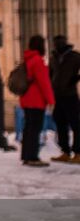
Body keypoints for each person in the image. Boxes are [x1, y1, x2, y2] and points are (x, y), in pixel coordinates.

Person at [19, 34, 55, 168]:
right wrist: (51, 100)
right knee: (35, 129)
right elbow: (44, 83)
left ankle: (26, 155)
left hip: (26, 99)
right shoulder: (38, 61)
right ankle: (33, 156)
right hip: (36, 100)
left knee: (28, 128)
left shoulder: (27, 60)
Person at [49, 36, 80, 164]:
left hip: (71, 95)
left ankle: (78, 152)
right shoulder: (53, 58)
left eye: (60, 43)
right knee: (60, 123)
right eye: (56, 43)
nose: (57, 45)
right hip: (58, 95)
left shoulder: (74, 56)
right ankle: (65, 151)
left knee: (76, 124)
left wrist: (76, 78)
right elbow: (50, 74)